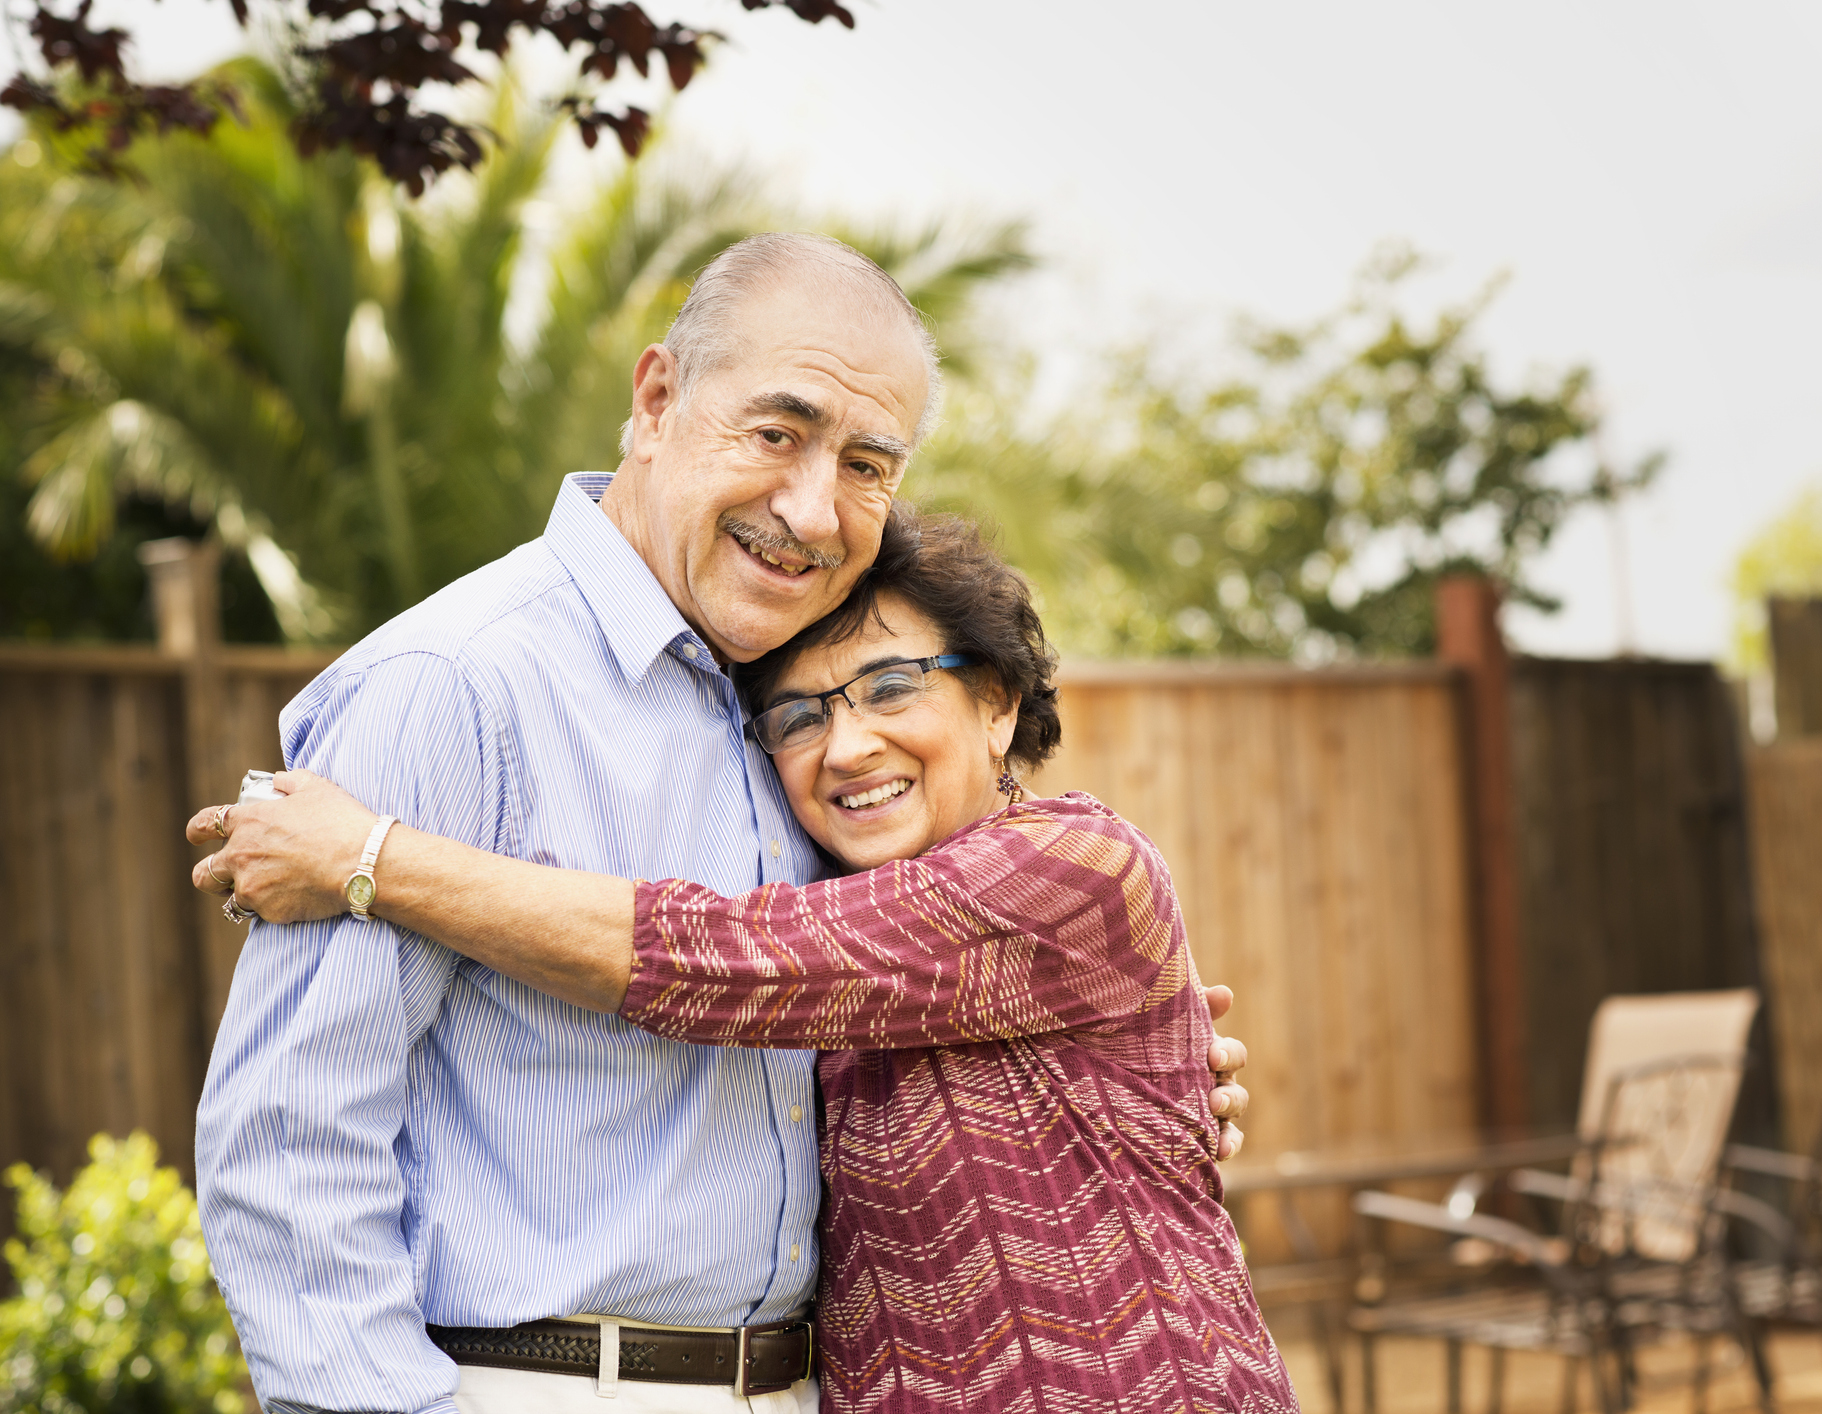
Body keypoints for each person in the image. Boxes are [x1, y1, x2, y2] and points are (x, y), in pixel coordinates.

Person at [189, 233, 1249, 1414]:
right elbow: (289, 1141)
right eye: (777, 430)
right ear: (656, 399)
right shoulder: (455, 679)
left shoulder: (788, 726)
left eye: (867, 462)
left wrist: (1126, 1063)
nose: (810, 507)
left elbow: (763, 969)